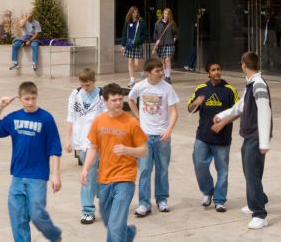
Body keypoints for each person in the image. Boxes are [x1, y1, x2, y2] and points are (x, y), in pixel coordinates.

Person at [0, 82, 63, 242]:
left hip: (38, 175)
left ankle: (53, 234)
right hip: (18, 175)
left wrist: (56, 175)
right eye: (27, 99)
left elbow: (55, 148)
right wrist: (0, 106)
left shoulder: (46, 118)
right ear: (20, 99)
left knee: (36, 214)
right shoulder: (14, 117)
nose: (30, 102)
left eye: (33, 98)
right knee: (17, 217)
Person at [212, 51, 273, 230]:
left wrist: (263, 142)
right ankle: (258, 200)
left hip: (255, 137)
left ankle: (260, 214)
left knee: (253, 174)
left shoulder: (259, 85)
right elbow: (240, 107)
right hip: (250, 136)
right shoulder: (251, 84)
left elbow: (264, 112)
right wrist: (222, 115)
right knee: (250, 172)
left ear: (243, 65)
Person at [81, 82, 147, 242]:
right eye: (114, 100)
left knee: (115, 225)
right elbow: (93, 148)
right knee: (110, 221)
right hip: (104, 179)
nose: (118, 103)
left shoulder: (131, 122)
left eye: (120, 99)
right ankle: (128, 233)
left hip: (125, 179)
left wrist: (128, 150)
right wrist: (85, 169)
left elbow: (144, 150)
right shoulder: (99, 121)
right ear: (105, 102)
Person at [126, 57, 179, 217]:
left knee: (162, 170)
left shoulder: (167, 88)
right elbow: (130, 99)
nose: (161, 73)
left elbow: (174, 111)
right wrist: (138, 116)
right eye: (158, 70)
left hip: (162, 136)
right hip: (144, 136)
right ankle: (144, 203)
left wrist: (169, 130)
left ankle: (162, 200)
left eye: (162, 69)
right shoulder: (140, 86)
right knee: (145, 170)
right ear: (149, 72)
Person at [186, 61, 238, 212]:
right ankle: (208, 192)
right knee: (199, 164)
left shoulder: (230, 90)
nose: (217, 72)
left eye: (218, 69)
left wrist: (223, 124)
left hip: (222, 139)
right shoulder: (201, 89)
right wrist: (197, 101)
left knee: (222, 170)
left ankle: (220, 200)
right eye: (213, 70)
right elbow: (190, 108)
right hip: (202, 136)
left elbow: (238, 111)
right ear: (208, 73)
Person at [66, 67, 104, 225]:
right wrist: (68, 139)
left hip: (97, 142)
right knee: (92, 175)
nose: (85, 88)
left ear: (94, 81)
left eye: (87, 85)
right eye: (82, 85)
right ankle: (98, 201)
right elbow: (70, 117)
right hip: (80, 141)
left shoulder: (102, 96)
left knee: (88, 175)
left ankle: (88, 210)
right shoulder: (75, 95)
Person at [122, 7, 147, 87]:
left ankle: (143, 74)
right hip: (129, 43)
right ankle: (132, 80)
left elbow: (144, 34)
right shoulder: (127, 22)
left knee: (137, 63)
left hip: (137, 44)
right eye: (134, 12)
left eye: (136, 12)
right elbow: (124, 33)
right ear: (131, 13)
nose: (135, 14)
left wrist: (139, 41)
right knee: (130, 62)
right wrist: (123, 45)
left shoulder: (141, 22)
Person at [152, 8, 177, 82]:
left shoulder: (172, 23)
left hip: (169, 44)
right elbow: (155, 33)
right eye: (165, 13)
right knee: (162, 61)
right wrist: (156, 40)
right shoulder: (158, 23)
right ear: (163, 14)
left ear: (170, 15)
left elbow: (176, 33)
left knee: (167, 60)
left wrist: (174, 39)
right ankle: (165, 76)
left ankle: (168, 76)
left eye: (168, 14)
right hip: (161, 45)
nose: (166, 15)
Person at [182, 7, 208, 72]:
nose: (200, 11)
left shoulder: (204, 18)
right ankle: (190, 65)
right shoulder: (198, 18)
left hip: (200, 38)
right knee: (194, 51)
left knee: (194, 51)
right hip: (196, 38)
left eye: (201, 10)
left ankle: (189, 65)